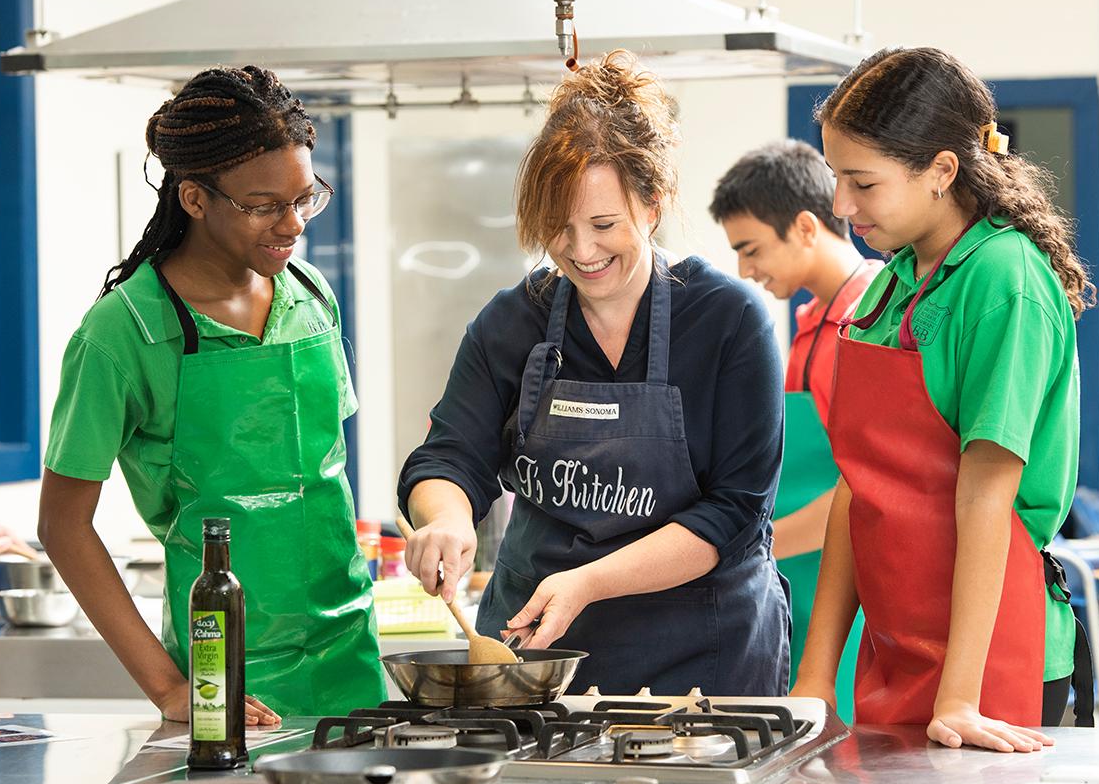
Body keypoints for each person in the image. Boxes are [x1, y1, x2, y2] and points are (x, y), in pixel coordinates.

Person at [398, 50, 789, 695]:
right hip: (535, 661)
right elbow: (449, 456)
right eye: (558, 227)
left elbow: (735, 512)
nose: (581, 251)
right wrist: (446, 518)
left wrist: (592, 580)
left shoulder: (726, 321)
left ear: (653, 204)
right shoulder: (512, 322)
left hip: (701, 660)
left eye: (604, 224)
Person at [38, 66, 385, 722]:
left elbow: (320, 485)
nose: (293, 225)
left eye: (305, 199)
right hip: (227, 683)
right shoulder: (123, 333)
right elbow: (62, 524)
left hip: (352, 666)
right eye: (263, 206)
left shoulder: (310, 296)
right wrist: (170, 689)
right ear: (195, 199)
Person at [791, 47, 1095, 751]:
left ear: (942, 172)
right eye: (838, 179)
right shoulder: (894, 281)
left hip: (988, 663)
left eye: (862, 182)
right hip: (895, 650)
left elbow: (985, 497)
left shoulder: (1003, 281)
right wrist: (815, 674)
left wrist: (958, 695)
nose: (841, 206)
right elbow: (857, 491)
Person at [709, 140, 881, 722]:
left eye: (751, 249)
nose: (744, 270)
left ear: (806, 227)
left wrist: (749, 555)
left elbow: (862, 486)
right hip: (795, 579)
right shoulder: (809, 324)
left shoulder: (874, 320)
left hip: (849, 592)